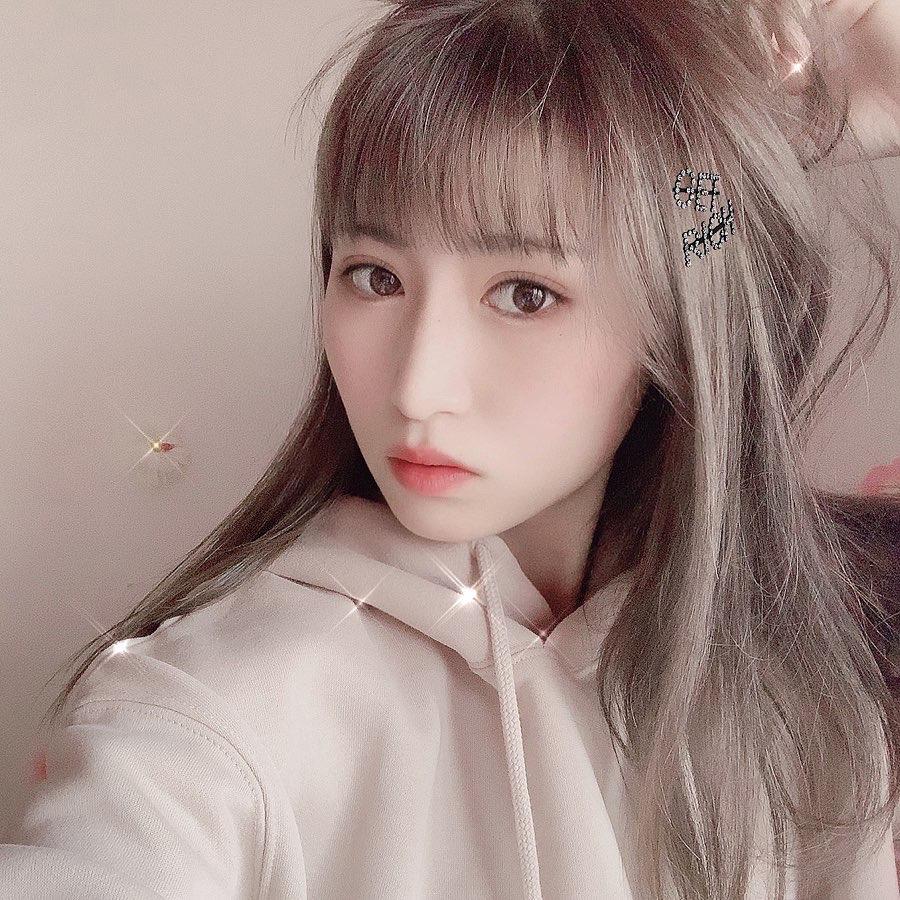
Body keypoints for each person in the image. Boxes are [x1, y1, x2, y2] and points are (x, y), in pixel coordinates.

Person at [3, 0, 900, 897]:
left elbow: (712, 238)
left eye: (525, 294)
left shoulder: (809, 698)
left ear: (676, 324)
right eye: (375, 277)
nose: (417, 388)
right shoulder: (217, 713)